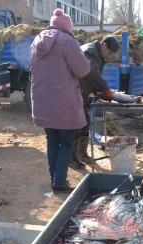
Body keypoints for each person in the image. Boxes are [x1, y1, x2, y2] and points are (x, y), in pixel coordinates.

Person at [30, 9, 90, 192]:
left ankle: (53, 178)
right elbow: (83, 70)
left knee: (52, 140)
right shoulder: (67, 41)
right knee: (66, 142)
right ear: (67, 27)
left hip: (42, 100)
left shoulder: (37, 40)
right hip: (63, 102)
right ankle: (59, 181)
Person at [70, 36, 120, 170]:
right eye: (109, 51)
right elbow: (93, 74)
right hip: (74, 91)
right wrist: (106, 91)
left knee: (85, 122)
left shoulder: (97, 54)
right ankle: (72, 157)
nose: (109, 55)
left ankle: (82, 154)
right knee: (77, 125)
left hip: (83, 91)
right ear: (103, 45)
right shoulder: (89, 52)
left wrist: (98, 93)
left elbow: (92, 79)